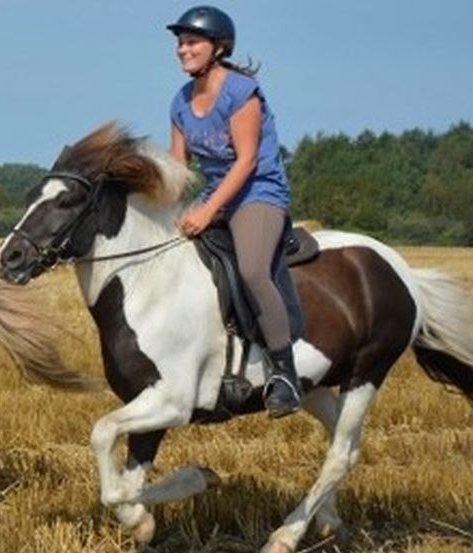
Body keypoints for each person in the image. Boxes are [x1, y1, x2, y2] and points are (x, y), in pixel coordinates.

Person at [166, 6, 301, 417]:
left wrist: (206, 212)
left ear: (219, 48)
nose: (183, 49)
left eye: (192, 42)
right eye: (180, 43)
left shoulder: (241, 92)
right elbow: (178, 170)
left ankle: (285, 375)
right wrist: (163, 207)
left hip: (258, 192)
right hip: (216, 195)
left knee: (252, 271)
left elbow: (246, 161)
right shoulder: (181, 102)